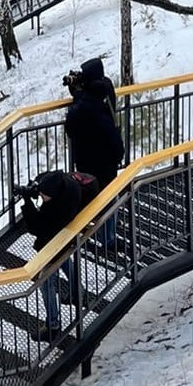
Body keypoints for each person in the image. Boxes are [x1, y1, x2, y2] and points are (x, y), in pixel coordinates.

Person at [18, 169, 99, 341]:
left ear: (53, 196)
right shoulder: (62, 183)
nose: (41, 198)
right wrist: (34, 187)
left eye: (44, 196)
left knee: (46, 281)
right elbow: (45, 182)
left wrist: (27, 202)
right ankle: (78, 293)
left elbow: (36, 227)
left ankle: (52, 326)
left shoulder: (61, 208)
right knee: (64, 260)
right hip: (65, 235)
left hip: (55, 240)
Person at [64, 58, 125, 250]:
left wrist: (77, 95)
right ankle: (108, 232)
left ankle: (102, 237)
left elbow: (71, 127)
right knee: (109, 196)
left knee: (95, 198)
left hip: (87, 161)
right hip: (108, 159)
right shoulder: (105, 90)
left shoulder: (86, 106)